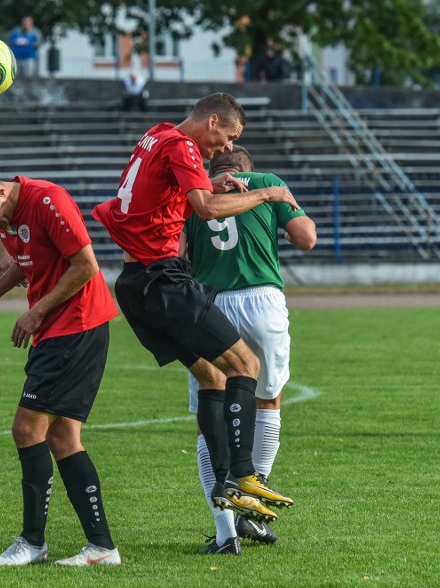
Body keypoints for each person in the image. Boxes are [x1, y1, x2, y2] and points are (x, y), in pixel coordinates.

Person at [92, 93, 299, 556]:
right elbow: (204, 209)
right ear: (211, 121)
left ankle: (227, 486)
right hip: (164, 279)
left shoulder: (154, 137)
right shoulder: (184, 147)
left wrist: (209, 184)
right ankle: (242, 474)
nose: (223, 148)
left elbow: (153, 205)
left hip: (134, 283)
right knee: (245, 363)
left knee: (212, 376)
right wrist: (264, 192)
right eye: (227, 136)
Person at [0, 169, 121, 567]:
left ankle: (33, 543)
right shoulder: (8, 211)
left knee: (27, 429)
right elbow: (28, 262)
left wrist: (36, 312)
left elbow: (86, 265)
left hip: (75, 324)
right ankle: (101, 547)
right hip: (61, 330)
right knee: (63, 438)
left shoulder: (48, 200)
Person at [180, 147, 316, 554]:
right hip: (263, 302)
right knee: (267, 402)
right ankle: (251, 506)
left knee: (210, 411)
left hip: (209, 304)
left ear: (214, 171)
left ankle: (226, 534)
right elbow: (306, 238)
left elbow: (174, 253)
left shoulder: (193, 195)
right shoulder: (269, 183)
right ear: (248, 171)